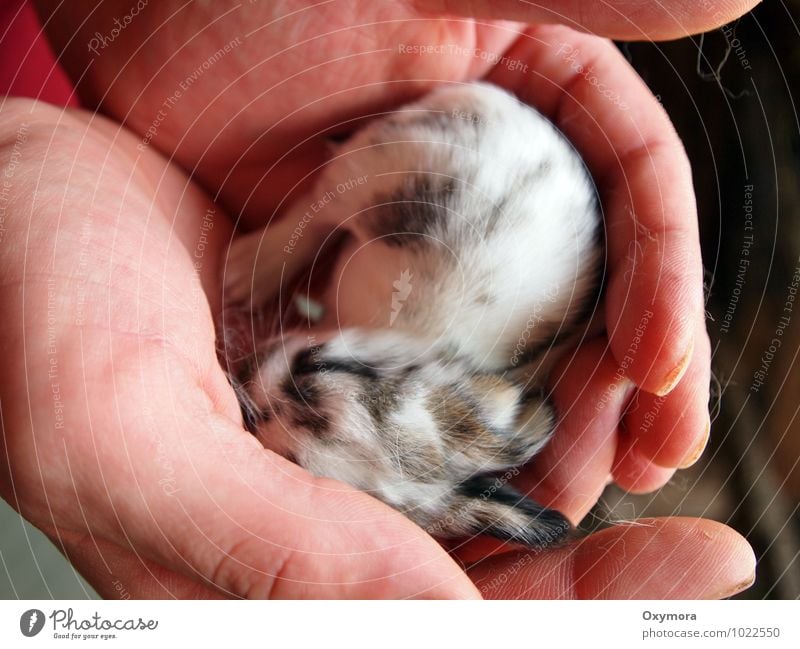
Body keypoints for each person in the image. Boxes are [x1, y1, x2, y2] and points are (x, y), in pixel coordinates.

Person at [0, 0, 759, 598]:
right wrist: (297, 235)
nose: (252, 379)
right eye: (298, 387)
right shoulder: (405, 292)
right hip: (454, 170)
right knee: (369, 217)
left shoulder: (478, 380)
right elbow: (373, 175)